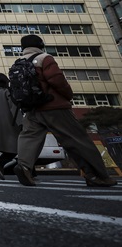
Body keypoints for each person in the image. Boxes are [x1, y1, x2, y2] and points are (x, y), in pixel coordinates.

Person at [13, 35, 117, 188]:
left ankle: (23, 166)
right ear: (40, 44)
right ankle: (95, 175)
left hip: (31, 109)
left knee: (29, 138)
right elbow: (57, 80)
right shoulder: (44, 58)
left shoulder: (19, 63)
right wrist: (68, 95)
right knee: (76, 139)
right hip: (54, 107)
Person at [0, 73, 21, 180]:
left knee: (10, 149)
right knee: (22, 148)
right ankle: (0, 163)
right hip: (12, 124)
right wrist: (21, 123)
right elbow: (14, 108)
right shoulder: (6, 92)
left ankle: (0, 165)